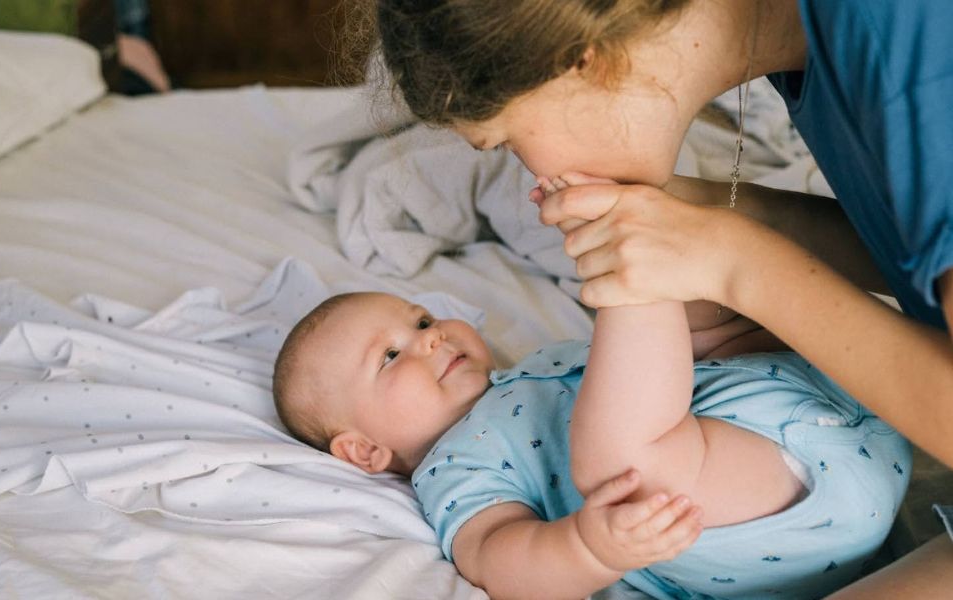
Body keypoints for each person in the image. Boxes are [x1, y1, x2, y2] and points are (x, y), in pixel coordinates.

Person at [369, 0, 953, 594]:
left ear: (579, 61)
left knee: (625, 465)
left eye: (506, 143)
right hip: (830, 448)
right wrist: (713, 221)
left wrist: (733, 261)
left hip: (839, 450)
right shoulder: (812, 46)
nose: (529, 169)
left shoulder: (910, 51)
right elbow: (914, 244)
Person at [272, 285, 910, 599]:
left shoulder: (535, 364)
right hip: (773, 507)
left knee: (698, 315)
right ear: (363, 451)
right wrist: (587, 546)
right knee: (625, 459)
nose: (430, 337)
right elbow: (496, 556)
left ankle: (662, 265)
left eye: (420, 319)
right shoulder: (451, 468)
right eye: (390, 355)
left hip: (840, 402)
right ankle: (636, 279)